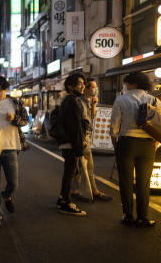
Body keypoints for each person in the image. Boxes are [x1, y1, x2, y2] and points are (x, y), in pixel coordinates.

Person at [110, 72, 161, 227]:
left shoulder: (121, 99)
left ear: (133, 83)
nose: (126, 86)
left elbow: (114, 126)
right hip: (147, 145)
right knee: (143, 183)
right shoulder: (154, 100)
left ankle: (128, 216)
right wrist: (155, 144)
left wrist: (116, 144)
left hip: (127, 143)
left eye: (127, 83)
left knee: (126, 182)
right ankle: (143, 217)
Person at [0, 76, 29, 228]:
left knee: (13, 183)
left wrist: (14, 118)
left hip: (11, 146)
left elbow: (25, 120)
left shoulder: (14, 102)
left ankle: (7, 195)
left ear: (5, 89)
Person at [71, 79, 112, 202]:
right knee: (87, 165)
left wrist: (94, 104)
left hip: (86, 136)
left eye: (96, 87)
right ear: (86, 88)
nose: (95, 89)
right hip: (82, 137)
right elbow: (80, 122)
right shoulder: (79, 101)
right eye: (93, 87)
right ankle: (92, 191)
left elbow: (92, 116)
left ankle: (76, 191)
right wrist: (82, 139)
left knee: (80, 165)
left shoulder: (89, 101)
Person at [56, 73, 87, 216]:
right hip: (71, 142)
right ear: (71, 86)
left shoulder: (70, 100)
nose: (83, 86)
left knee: (70, 172)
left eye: (83, 83)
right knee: (70, 172)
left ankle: (62, 199)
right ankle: (65, 203)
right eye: (80, 83)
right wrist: (79, 144)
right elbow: (75, 126)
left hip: (69, 142)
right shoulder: (72, 101)